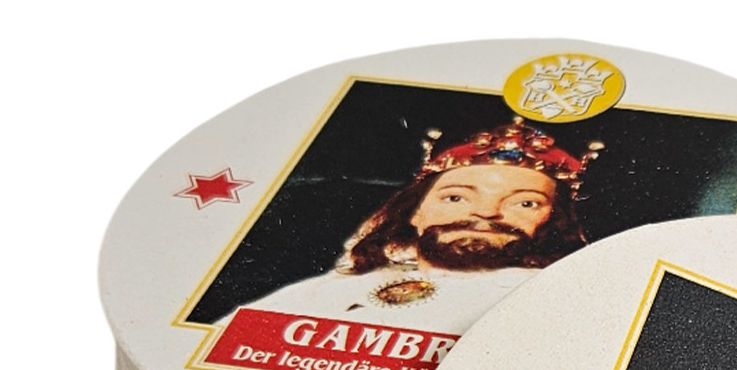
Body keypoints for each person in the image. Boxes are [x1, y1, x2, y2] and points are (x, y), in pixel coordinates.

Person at [224, 119, 599, 330]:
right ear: (415, 214)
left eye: (524, 203)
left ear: (555, 222)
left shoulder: (558, 306)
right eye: (456, 198)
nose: (485, 213)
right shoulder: (320, 294)